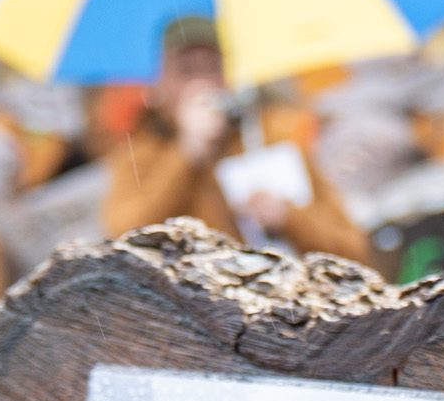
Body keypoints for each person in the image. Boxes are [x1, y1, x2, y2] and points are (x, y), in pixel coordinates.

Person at [100, 20, 373, 267]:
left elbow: (353, 249)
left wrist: (289, 219)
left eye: (213, 67)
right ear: (161, 82)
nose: (202, 82)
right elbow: (126, 241)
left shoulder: (269, 135)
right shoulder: (139, 153)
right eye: (186, 70)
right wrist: (187, 153)